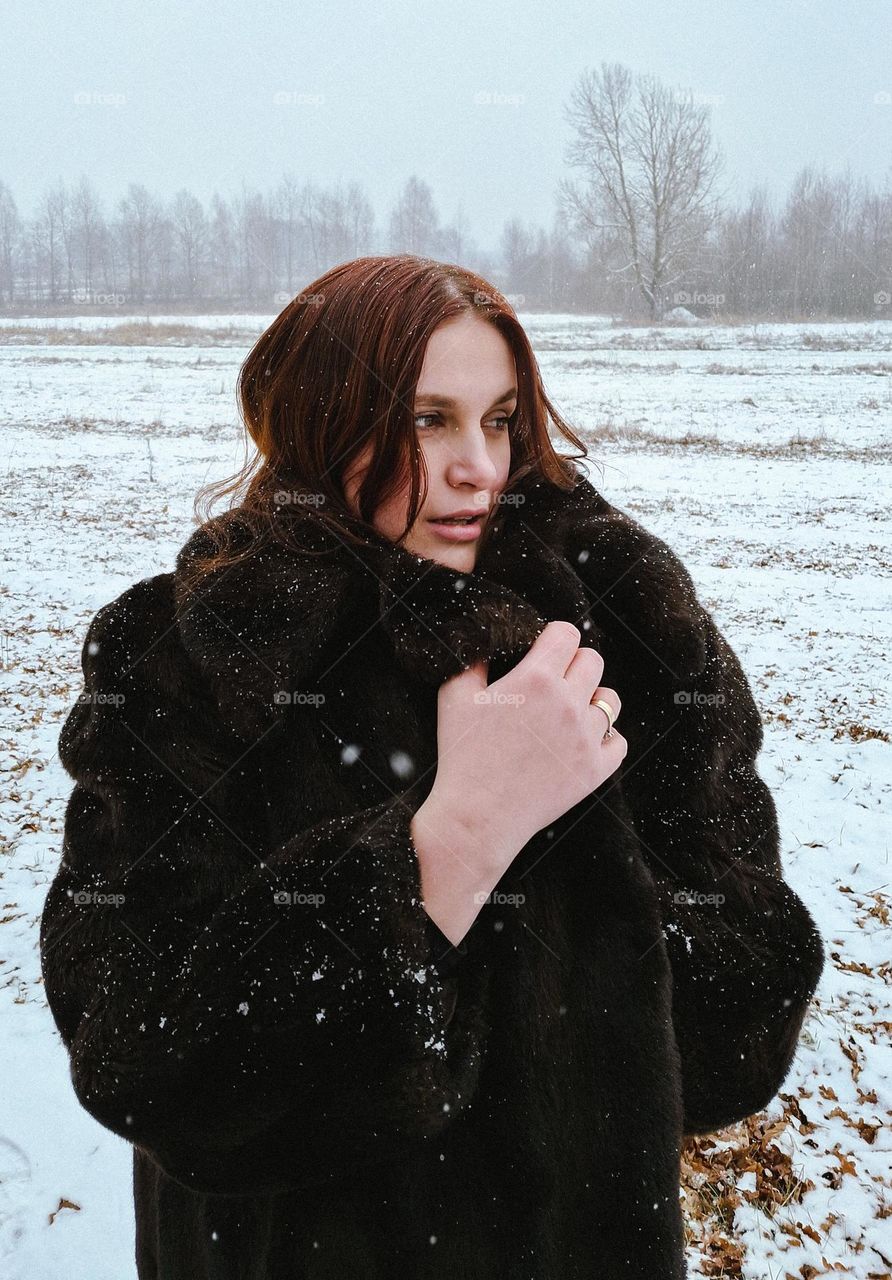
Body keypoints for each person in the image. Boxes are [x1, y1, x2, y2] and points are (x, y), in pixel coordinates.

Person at [39, 255, 825, 1280]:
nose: (479, 468)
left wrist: (592, 901)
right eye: (425, 421)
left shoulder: (622, 627)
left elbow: (740, 1026)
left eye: (499, 419)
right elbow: (141, 1057)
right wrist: (452, 843)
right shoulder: (194, 653)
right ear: (321, 421)